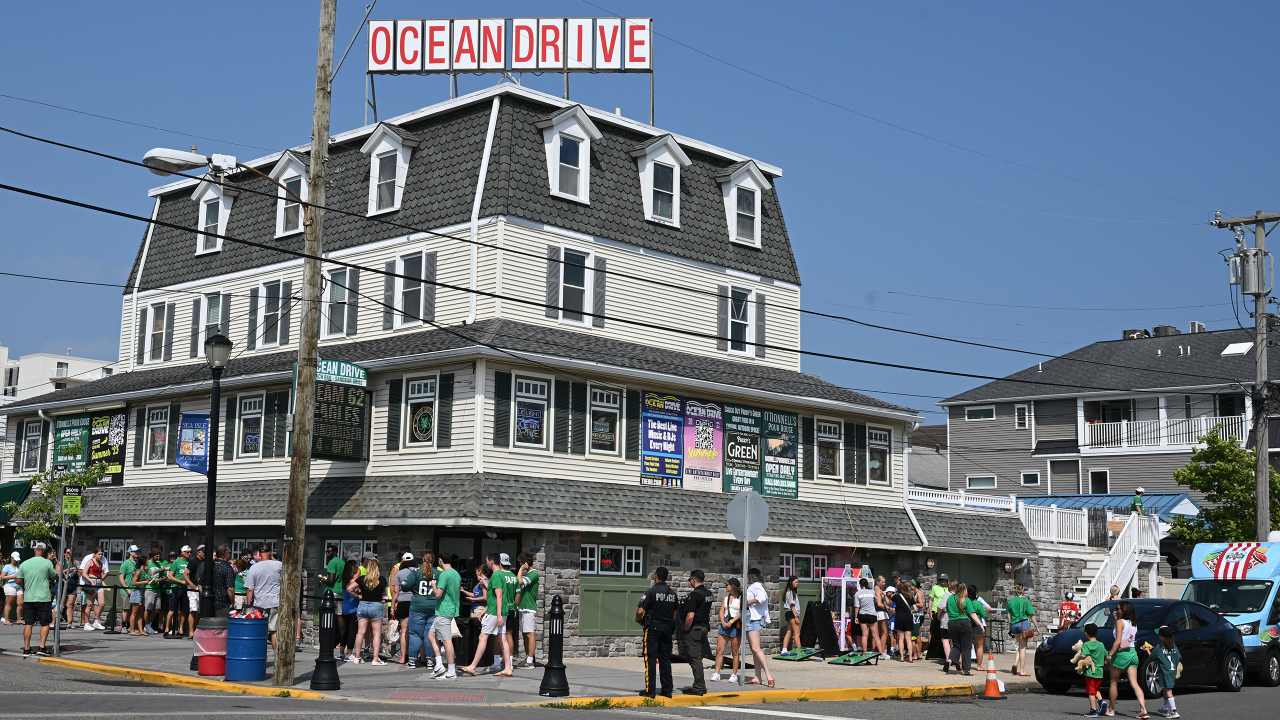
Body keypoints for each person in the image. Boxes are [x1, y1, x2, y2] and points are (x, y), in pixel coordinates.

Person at [460, 553, 514, 677]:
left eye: (487, 560)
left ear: (491, 561)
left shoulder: (495, 576)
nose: (486, 563)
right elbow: (494, 596)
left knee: (482, 637)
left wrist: (498, 614)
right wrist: (486, 609)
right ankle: (507, 668)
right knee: (502, 639)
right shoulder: (501, 574)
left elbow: (499, 595)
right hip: (498, 611)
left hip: (495, 612)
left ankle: (472, 667)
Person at [634, 566, 677, 698]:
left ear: (656, 576)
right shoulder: (672, 593)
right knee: (665, 659)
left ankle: (650, 690)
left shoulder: (651, 592)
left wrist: (638, 620)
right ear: (667, 578)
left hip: (653, 628)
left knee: (650, 658)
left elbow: (640, 610)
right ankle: (667, 690)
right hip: (667, 629)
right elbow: (675, 614)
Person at [1106, 601, 1149, 719]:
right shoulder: (1133, 623)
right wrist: (1115, 619)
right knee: (1134, 683)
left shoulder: (1121, 622)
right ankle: (1143, 709)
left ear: (1124, 610)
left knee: (1114, 682)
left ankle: (1111, 709)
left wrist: (1110, 655)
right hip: (1132, 652)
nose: (1117, 610)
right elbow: (1120, 633)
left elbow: (1118, 640)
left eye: (1119, 608)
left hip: (1121, 654)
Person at [16, 542, 58, 656]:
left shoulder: (25, 563)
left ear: (35, 550)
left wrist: (28, 583)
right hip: (43, 597)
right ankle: (42, 647)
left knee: (28, 623)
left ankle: (26, 648)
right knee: (44, 624)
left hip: (29, 597)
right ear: (44, 552)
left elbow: (18, 580)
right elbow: (54, 576)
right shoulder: (47, 562)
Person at [680, 569, 714, 696]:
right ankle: (700, 686)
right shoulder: (708, 593)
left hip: (695, 628)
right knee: (695, 657)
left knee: (695, 659)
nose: (689, 581)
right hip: (704, 628)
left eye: (690, 579)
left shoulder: (695, 595)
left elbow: (690, 617)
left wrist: (686, 629)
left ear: (694, 579)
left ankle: (699, 688)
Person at [428, 552, 461, 679]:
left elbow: (438, 595)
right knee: (431, 635)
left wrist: (433, 585)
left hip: (443, 611)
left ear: (440, 560)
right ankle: (439, 665)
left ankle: (451, 671)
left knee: (447, 641)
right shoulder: (456, 573)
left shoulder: (444, 574)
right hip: (449, 609)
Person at [244, 544, 282, 650]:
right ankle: (277, 658)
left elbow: (250, 589)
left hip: (260, 604)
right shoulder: (279, 565)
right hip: (275, 602)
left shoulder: (254, 567)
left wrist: (248, 605)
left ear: (259, 554)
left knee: (260, 631)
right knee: (274, 631)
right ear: (270, 552)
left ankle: (259, 657)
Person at [351, 558, 387, 665]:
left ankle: (357, 657)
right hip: (376, 605)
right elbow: (382, 591)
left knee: (360, 633)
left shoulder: (362, 579)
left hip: (363, 604)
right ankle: (375, 659)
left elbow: (349, 589)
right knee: (377, 634)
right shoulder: (382, 579)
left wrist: (357, 596)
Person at [743, 568, 775, 687]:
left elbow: (763, 597)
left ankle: (769, 676)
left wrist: (748, 602)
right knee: (753, 649)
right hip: (752, 617)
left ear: (751, 576)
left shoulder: (756, 585)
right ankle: (758, 677)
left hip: (754, 618)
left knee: (756, 648)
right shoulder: (757, 585)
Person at [710, 577, 741, 682]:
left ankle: (734, 674)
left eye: (727, 585)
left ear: (732, 586)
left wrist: (731, 622)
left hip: (735, 624)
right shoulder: (726, 597)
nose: (725, 586)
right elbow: (722, 611)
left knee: (735, 651)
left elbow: (741, 612)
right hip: (725, 623)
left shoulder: (741, 598)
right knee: (719, 649)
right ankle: (716, 672)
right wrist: (723, 622)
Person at [393, 553, 419, 665]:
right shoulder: (418, 572)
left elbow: (395, 591)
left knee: (404, 631)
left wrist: (393, 605)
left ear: (402, 561)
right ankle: (415, 656)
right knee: (416, 632)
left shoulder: (399, 573)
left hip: (403, 602)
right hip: (416, 601)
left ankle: (403, 657)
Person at [515, 552, 540, 668]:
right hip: (523, 607)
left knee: (529, 634)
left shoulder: (533, 574)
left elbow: (519, 582)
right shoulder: (528, 574)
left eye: (520, 562)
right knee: (525, 634)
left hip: (529, 608)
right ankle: (527, 658)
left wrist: (520, 570)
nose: (519, 564)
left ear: (525, 563)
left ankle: (530, 661)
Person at [1006, 584, 1037, 676]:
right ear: (1022, 591)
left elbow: (1008, 615)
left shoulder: (1011, 601)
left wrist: (1009, 626)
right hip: (1023, 624)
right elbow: (1031, 615)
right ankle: (1022, 671)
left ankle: (1015, 663)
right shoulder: (1025, 600)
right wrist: (1037, 627)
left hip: (1014, 625)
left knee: (1020, 645)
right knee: (1023, 648)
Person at [945, 582, 974, 676]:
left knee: (956, 645)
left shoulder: (949, 598)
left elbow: (948, 613)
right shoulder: (966, 599)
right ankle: (965, 670)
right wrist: (980, 624)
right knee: (966, 647)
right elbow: (972, 613)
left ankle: (949, 660)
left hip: (952, 623)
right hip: (964, 623)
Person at [1153, 625, 1182, 719]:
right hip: (1172, 671)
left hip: (1164, 671)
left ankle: (1174, 711)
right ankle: (1165, 709)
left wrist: (1148, 651)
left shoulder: (1159, 647)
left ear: (1161, 636)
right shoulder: (1174, 647)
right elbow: (1179, 657)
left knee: (1168, 691)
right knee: (1165, 690)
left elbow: (1152, 657)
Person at [1080, 623, 1108, 717]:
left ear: (1086, 633)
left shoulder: (1086, 645)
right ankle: (1102, 701)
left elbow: (1084, 655)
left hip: (1091, 672)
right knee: (1095, 689)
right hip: (1100, 672)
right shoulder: (1101, 644)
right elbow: (1106, 655)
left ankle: (1093, 710)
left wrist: (1079, 657)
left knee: (1091, 692)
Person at [79, 546, 108, 631]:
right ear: (95, 554)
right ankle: (86, 623)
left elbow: (101, 576)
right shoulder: (90, 562)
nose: (100, 556)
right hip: (91, 583)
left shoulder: (101, 563)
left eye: (101, 554)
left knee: (102, 603)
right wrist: (90, 581)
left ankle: (96, 621)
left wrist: (104, 584)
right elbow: (84, 573)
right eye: (99, 554)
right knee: (90, 605)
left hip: (99, 583)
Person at [165, 546, 191, 638]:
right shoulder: (176, 562)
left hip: (185, 589)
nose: (189, 554)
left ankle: (180, 629)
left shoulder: (190, 562)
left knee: (183, 610)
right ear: (182, 552)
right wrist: (181, 581)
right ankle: (167, 629)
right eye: (187, 552)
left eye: (190, 552)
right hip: (176, 588)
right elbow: (170, 576)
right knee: (172, 609)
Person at [339, 559, 360, 661]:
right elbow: (357, 592)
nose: (357, 568)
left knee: (346, 631)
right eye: (356, 567)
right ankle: (349, 653)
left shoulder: (345, 580)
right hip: (353, 609)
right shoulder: (353, 581)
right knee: (352, 631)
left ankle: (341, 653)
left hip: (345, 609)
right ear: (352, 568)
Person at [117, 546, 140, 635]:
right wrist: (127, 589)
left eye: (137, 551)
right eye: (135, 551)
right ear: (130, 552)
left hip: (135, 589)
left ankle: (130, 626)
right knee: (126, 608)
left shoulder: (138, 563)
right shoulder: (125, 563)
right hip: (126, 590)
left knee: (132, 609)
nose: (136, 553)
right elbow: (121, 577)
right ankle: (124, 626)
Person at [143, 547, 166, 634]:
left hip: (157, 589)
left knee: (157, 609)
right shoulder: (147, 564)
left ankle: (149, 624)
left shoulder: (159, 565)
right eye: (156, 556)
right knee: (148, 608)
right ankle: (147, 625)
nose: (158, 557)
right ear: (152, 555)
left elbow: (159, 576)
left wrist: (161, 579)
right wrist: (151, 580)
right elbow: (144, 576)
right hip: (149, 589)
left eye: (159, 556)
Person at [183, 546, 206, 629]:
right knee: (193, 610)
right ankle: (191, 631)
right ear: (199, 552)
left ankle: (196, 628)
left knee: (199, 610)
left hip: (201, 588)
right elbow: (185, 574)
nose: (205, 554)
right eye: (203, 552)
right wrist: (192, 585)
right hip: (193, 588)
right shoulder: (194, 562)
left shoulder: (205, 562)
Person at [930, 574, 952, 662]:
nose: (942, 581)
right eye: (941, 580)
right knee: (933, 630)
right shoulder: (935, 588)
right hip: (936, 610)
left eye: (944, 580)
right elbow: (931, 599)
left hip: (946, 613)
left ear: (947, 581)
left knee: (946, 632)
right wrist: (930, 610)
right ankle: (930, 649)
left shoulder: (949, 590)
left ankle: (945, 652)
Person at [854, 577, 878, 653]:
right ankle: (881, 652)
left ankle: (864, 651)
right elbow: (875, 601)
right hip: (872, 613)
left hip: (862, 614)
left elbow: (857, 607)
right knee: (876, 636)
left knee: (865, 635)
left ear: (860, 585)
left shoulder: (858, 593)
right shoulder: (872, 592)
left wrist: (856, 616)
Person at [893, 582, 915, 663]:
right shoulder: (910, 596)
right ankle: (910, 657)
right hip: (908, 618)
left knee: (901, 639)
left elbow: (889, 603)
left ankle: (902, 657)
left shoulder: (896, 596)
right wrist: (910, 611)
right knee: (908, 639)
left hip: (899, 618)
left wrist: (885, 595)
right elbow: (915, 608)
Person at [781, 576, 801, 652]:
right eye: (795, 582)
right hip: (791, 613)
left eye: (797, 582)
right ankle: (799, 650)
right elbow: (792, 605)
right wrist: (796, 616)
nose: (797, 584)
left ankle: (784, 649)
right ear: (790, 582)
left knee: (789, 631)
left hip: (789, 613)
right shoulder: (790, 592)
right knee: (797, 632)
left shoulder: (789, 592)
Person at [968, 584, 988, 660]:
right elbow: (984, 615)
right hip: (977, 625)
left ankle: (963, 664)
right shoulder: (977, 603)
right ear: (976, 592)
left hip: (967, 624)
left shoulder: (966, 602)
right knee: (979, 646)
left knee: (966, 646)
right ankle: (979, 665)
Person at [874, 575, 892, 659]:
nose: (884, 584)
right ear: (878, 582)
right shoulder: (877, 590)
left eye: (884, 582)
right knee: (884, 633)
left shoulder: (881, 590)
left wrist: (886, 595)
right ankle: (881, 652)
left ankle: (878, 652)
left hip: (881, 612)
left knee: (878, 634)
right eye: (882, 582)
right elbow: (879, 604)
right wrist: (888, 608)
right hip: (880, 612)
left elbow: (888, 602)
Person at [2, 551, 23, 626]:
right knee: (10, 603)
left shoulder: (20, 566)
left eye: (17, 560)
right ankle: (7, 620)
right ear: (11, 558)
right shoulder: (7, 566)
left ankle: (19, 619)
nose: (16, 561)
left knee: (21, 603)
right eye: (15, 560)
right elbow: (2, 577)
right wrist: (13, 576)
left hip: (19, 586)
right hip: (10, 586)